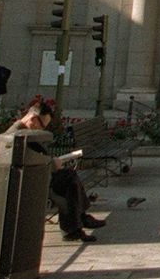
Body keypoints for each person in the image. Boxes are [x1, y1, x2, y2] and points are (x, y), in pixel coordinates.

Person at [10, 99, 105, 242]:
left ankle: (76, 227)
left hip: (35, 177)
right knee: (69, 181)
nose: (41, 129)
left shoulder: (24, 132)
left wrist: (53, 162)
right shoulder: (17, 134)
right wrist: (52, 163)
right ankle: (77, 223)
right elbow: (25, 159)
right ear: (33, 119)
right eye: (42, 125)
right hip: (27, 182)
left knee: (69, 180)